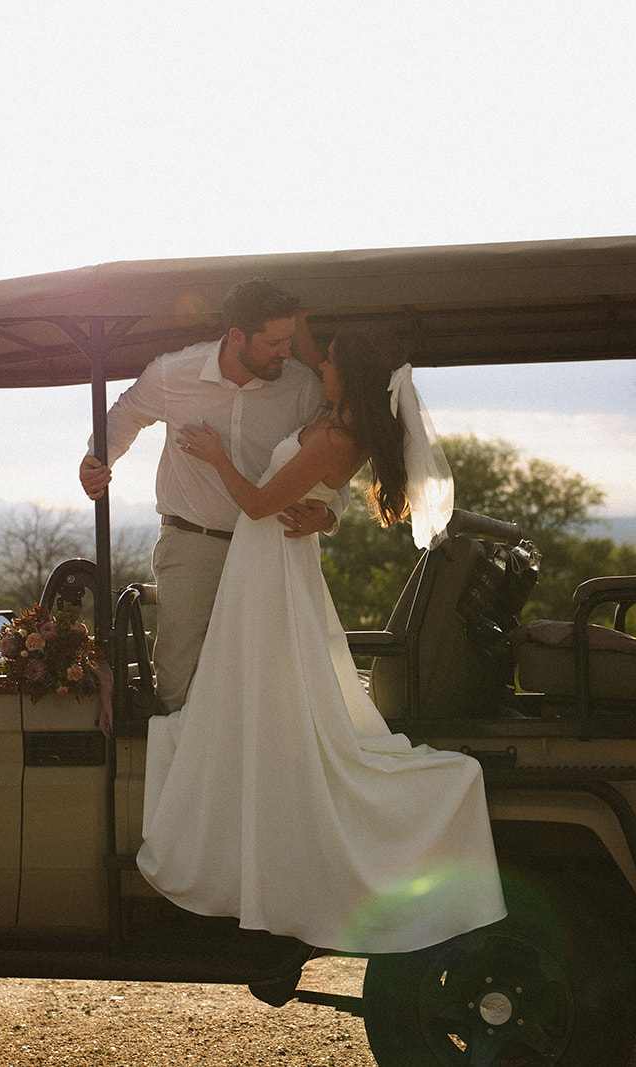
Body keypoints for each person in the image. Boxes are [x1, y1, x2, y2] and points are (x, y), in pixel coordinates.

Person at [136, 323, 508, 954]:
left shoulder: (340, 435)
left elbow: (257, 504)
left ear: (350, 376)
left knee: (268, 680)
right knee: (257, 683)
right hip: (274, 558)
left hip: (269, 559)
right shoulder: (345, 423)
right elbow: (316, 491)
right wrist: (329, 516)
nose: (318, 367)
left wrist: (215, 454)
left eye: (330, 362)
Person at [79, 278, 342, 713]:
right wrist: (96, 458)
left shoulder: (301, 386)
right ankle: (181, 775)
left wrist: (330, 515)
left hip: (272, 549)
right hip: (191, 545)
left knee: (267, 675)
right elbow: (125, 415)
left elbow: (326, 458)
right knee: (178, 675)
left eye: (290, 340)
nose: (287, 352)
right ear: (236, 336)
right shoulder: (172, 371)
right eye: (274, 342)